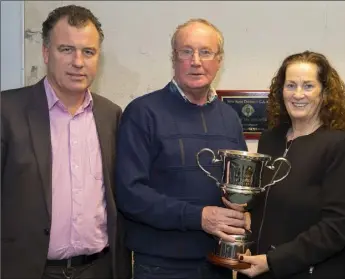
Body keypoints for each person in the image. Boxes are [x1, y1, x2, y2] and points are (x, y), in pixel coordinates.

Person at [1, 5, 132, 279]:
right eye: (66, 50)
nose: (78, 62)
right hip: (28, 270)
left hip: (99, 269)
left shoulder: (112, 115)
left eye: (88, 52)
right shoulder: (7, 111)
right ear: (46, 53)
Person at [115, 18, 248, 279]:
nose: (196, 60)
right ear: (174, 58)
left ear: (219, 60)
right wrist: (198, 217)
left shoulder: (229, 118)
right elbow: (130, 193)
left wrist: (244, 211)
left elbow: (238, 187)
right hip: (160, 265)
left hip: (218, 263)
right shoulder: (143, 113)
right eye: (186, 51)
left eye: (205, 52)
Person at [232, 50, 345, 278]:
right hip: (260, 270)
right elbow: (265, 205)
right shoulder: (269, 140)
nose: (298, 94)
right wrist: (244, 213)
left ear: (324, 93)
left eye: (308, 86)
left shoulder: (341, 146)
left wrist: (273, 261)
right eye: (290, 85)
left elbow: (337, 227)